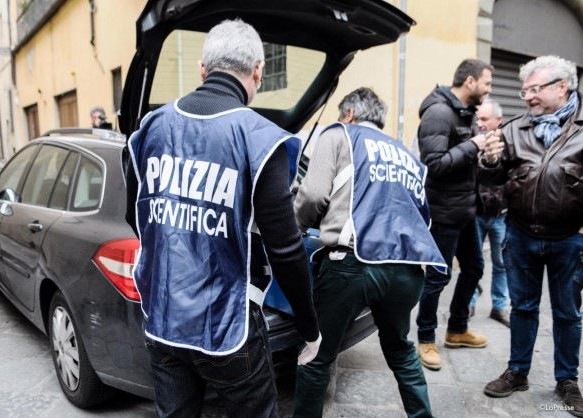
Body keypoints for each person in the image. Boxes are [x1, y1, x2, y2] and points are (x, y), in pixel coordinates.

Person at [125, 19, 321, 418]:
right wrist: (309, 327)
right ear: (258, 72)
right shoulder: (260, 137)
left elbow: (137, 216)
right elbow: (285, 250)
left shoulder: (151, 128)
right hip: (228, 325)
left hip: (162, 317)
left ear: (203, 69)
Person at [293, 87, 446, 418]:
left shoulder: (339, 134)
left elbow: (313, 195)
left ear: (348, 114)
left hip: (352, 266)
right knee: (401, 351)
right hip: (407, 271)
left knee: (317, 356)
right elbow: (423, 217)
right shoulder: (405, 154)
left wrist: (295, 228)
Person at [482, 55, 583, 417]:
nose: (527, 97)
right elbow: (492, 182)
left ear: (562, 86)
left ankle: (567, 380)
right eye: (524, 91)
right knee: (522, 307)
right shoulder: (514, 129)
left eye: (535, 89)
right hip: (521, 234)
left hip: (570, 238)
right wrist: (490, 161)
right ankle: (518, 372)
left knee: (568, 312)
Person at [415, 59, 496, 371]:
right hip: (443, 212)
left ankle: (457, 329)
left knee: (474, 268)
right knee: (438, 276)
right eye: (487, 83)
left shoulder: (466, 112)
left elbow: (466, 162)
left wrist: (487, 155)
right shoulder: (438, 113)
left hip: (466, 210)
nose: (489, 90)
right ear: (470, 81)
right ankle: (425, 338)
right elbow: (433, 164)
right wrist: (473, 146)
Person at [468, 98, 510, 327]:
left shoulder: (510, 141)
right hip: (476, 212)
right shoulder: (474, 140)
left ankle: (500, 306)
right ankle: (469, 302)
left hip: (501, 215)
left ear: (498, 119)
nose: (480, 123)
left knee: (501, 263)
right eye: (478, 119)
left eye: (484, 119)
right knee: (473, 263)